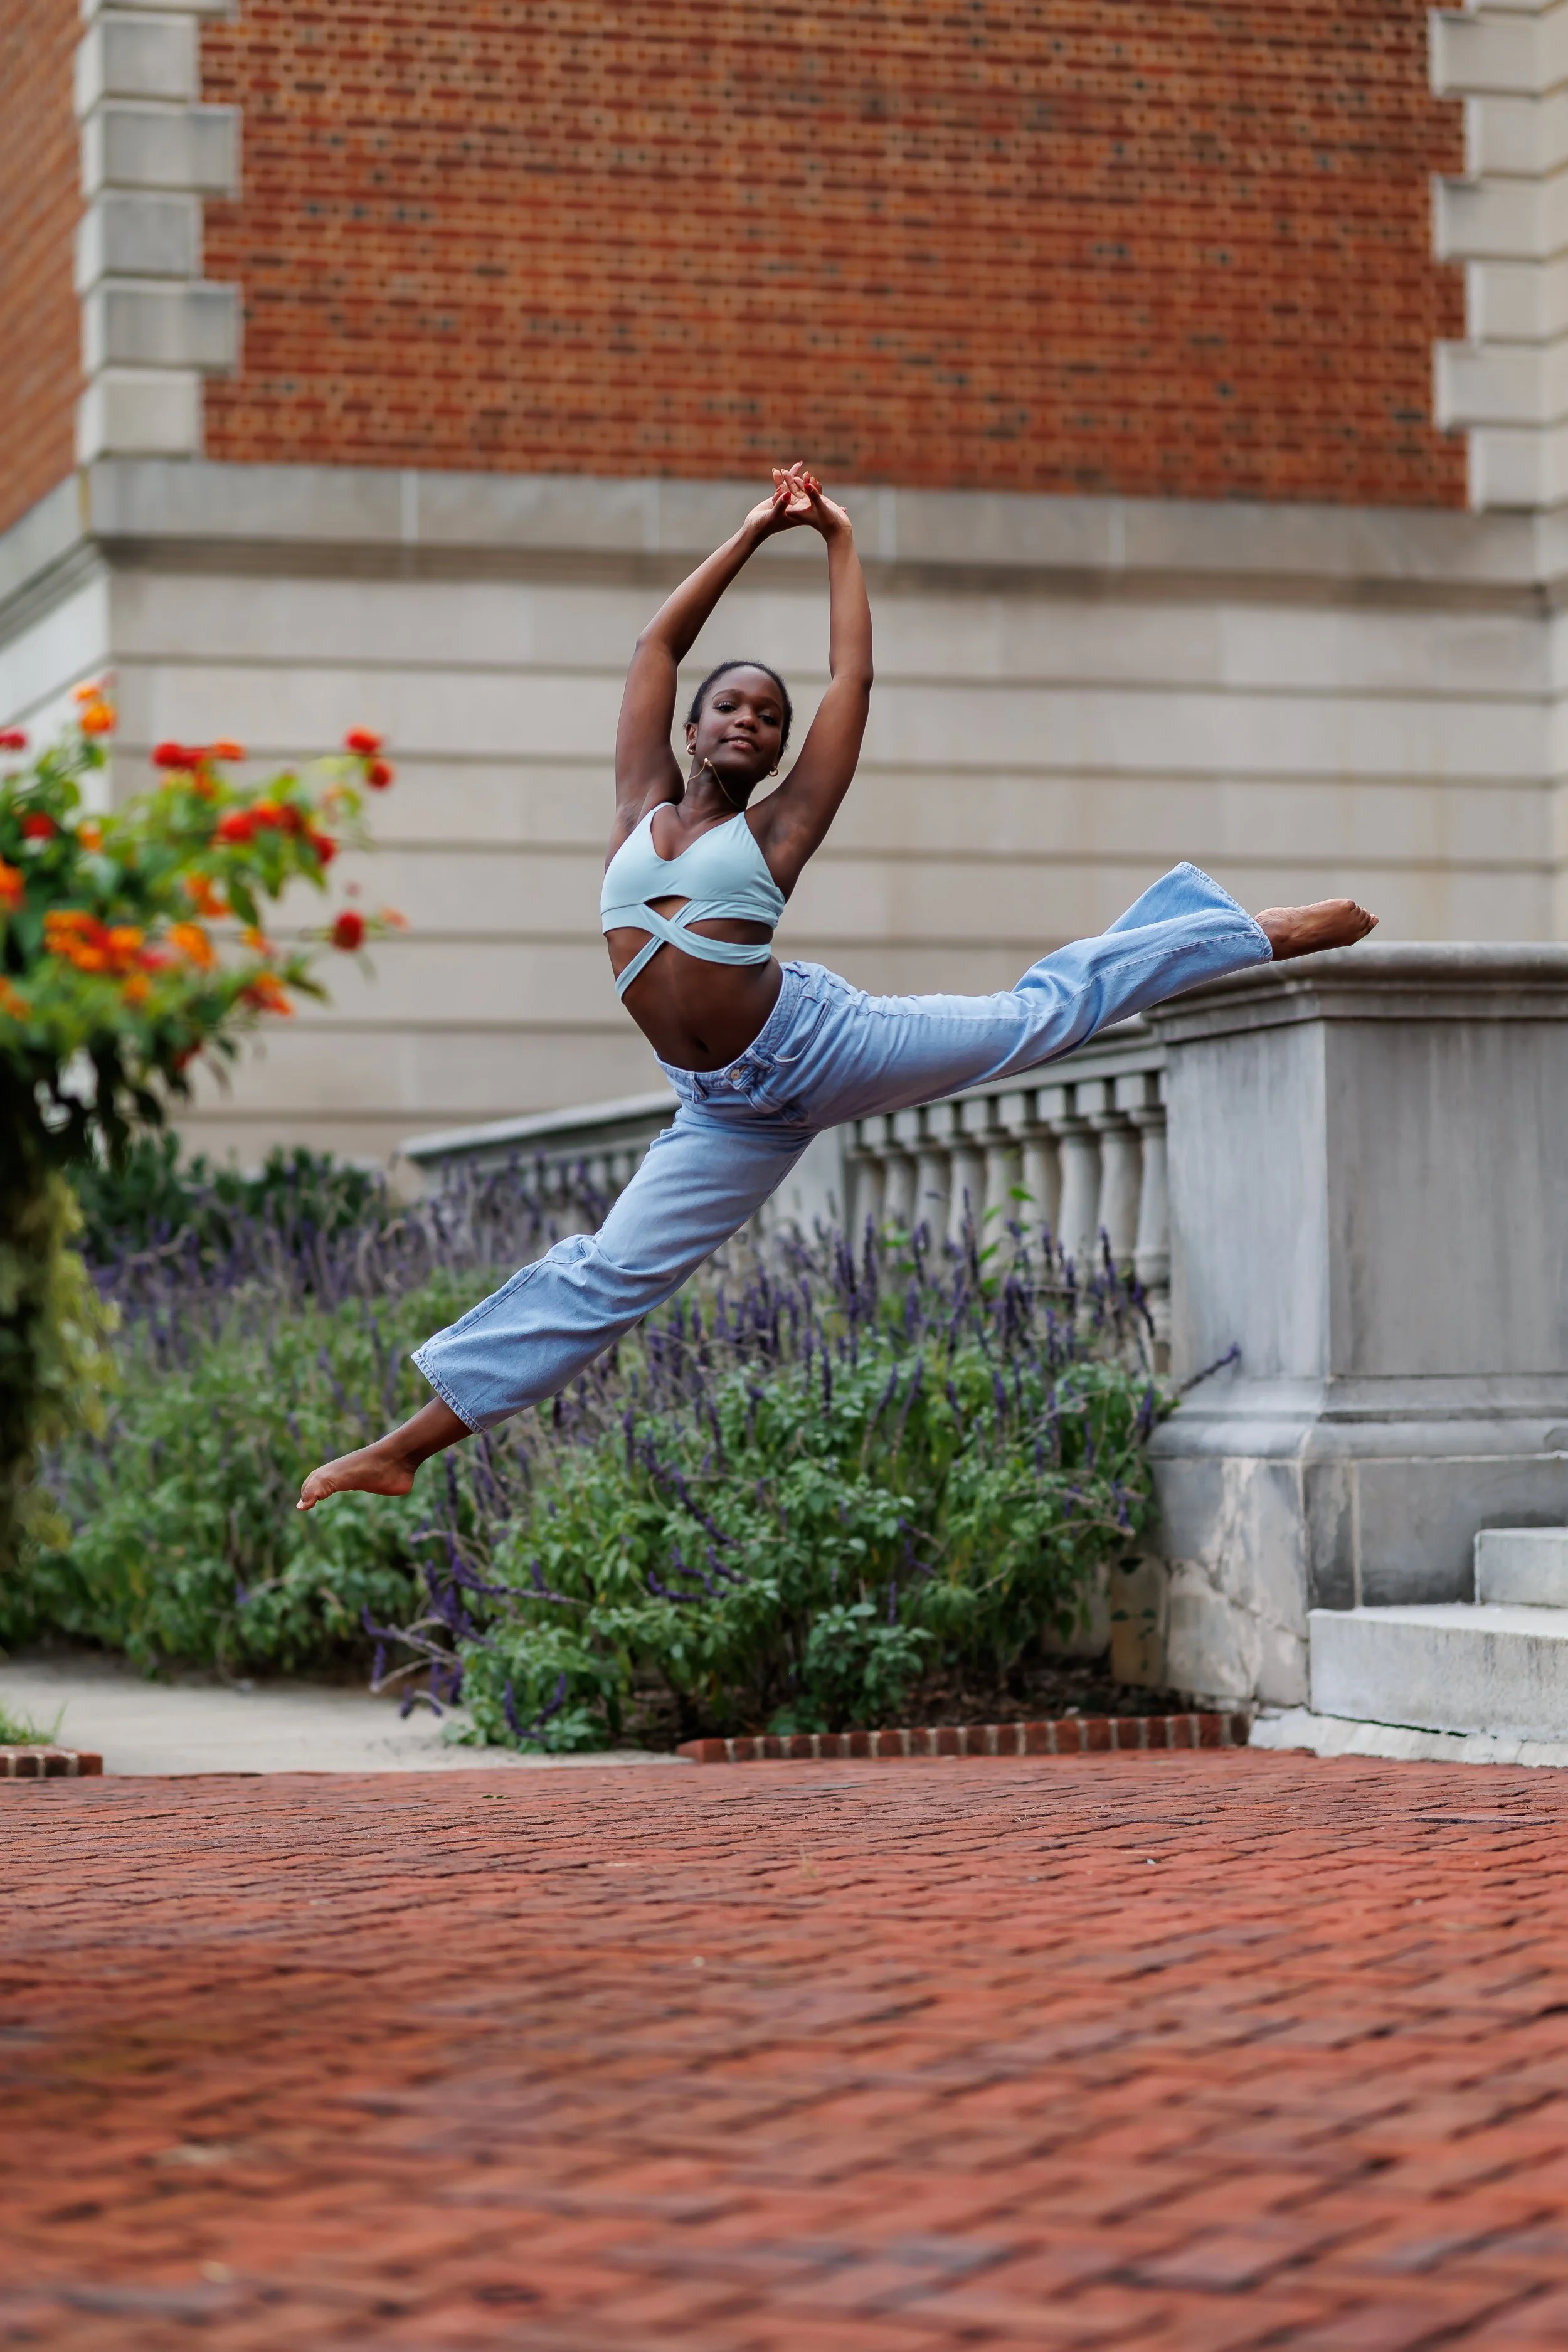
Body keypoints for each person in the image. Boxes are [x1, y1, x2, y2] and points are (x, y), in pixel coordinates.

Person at [299, 464, 1375, 1510]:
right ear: (688, 725)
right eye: (731, 706)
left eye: (769, 716)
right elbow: (656, 641)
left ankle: (1247, 931)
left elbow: (851, 681)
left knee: (1038, 1017)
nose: (750, 722)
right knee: (606, 1273)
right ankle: (405, 1448)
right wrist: (757, 530)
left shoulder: (779, 830)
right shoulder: (636, 807)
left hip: (818, 1045)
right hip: (721, 1111)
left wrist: (839, 540)